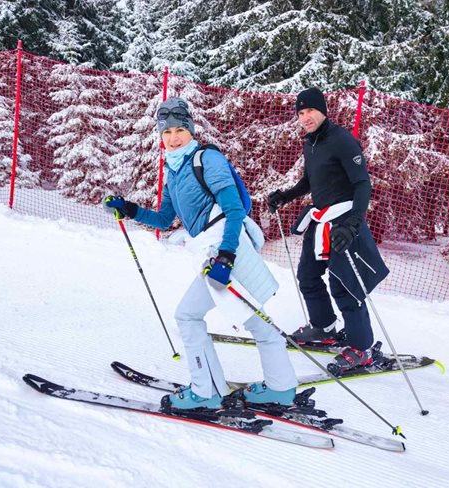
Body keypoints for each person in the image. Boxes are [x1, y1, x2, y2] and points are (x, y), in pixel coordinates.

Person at [104, 97, 298, 409]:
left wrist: (226, 256)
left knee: (189, 315)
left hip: (225, 245)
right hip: (215, 248)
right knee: (256, 320)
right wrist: (129, 209)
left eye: (180, 129)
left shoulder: (207, 159)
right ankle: (280, 388)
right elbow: (165, 220)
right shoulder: (174, 169)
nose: (173, 137)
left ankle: (207, 393)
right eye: (166, 132)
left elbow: (234, 211)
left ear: (191, 129)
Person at [267, 87, 389, 375]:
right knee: (307, 276)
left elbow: (362, 185)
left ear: (323, 111)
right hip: (320, 219)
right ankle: (324, 327)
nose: (305, 117)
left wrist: (353, 224)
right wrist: (285, 196)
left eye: (310, 111)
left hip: (344, 223)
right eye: (300, 112)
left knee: (344, 285)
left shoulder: (343, 141)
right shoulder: (311, 143)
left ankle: (362, 348)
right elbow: (310, 180)